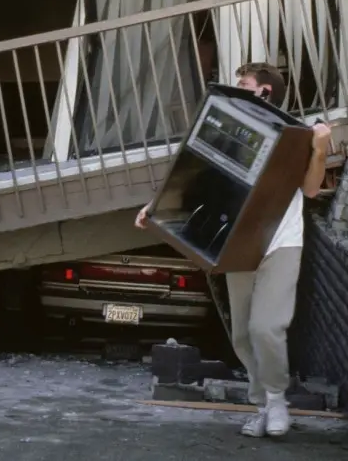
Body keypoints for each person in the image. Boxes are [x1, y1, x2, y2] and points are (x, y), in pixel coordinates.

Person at [135, 62, 332, 439]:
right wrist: (154, 207)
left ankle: (276, 401)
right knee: (242, 333)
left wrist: (320, 147)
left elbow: (309, 190)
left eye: (243, 85)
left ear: (264, 93)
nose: (237, 89)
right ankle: (262, 404)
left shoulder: (299, 135)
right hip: (240, 240)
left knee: (266, 327)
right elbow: (196, 173)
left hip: (280, 241)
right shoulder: (231, 131)